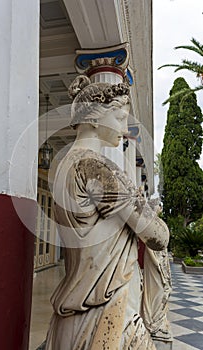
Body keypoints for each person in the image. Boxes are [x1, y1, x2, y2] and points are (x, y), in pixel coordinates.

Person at [45, 75, 169, 350]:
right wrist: (149, 213)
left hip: (75, 312)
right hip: (107, 308)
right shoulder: (98, 169)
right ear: (93, 118)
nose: (125, 129)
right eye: (119, 117)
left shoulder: (64, 166)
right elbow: (159, 237)